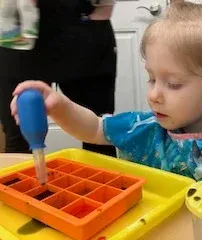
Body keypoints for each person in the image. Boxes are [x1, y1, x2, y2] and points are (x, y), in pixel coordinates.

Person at [10, 2, 202, 228]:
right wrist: (59, 105)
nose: (155, 93)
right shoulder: (145, 128)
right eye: (151, 78)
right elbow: (93, 128)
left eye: (173, 83)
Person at [0, 0, 117, 156]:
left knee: (101, 136)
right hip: (17, 27)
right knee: (19, 141)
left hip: (84, 26)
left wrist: (102, 5)